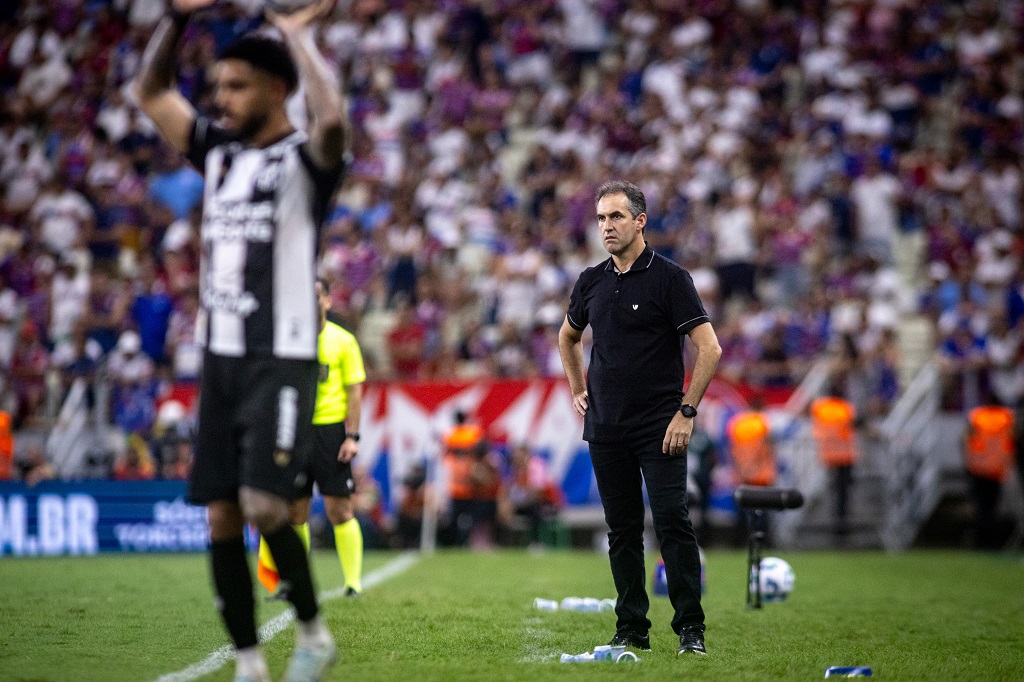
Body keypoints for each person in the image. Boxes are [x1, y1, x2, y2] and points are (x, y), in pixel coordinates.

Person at [133, 2, 347, 681]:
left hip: (279, 358)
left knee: (263, 505)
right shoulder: (218, 154)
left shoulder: (304, 161)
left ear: (276, 90)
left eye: (237, 86)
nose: (220, 100)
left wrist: (296, 37)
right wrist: (173, 19)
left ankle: (312, 634)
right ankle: (251, 663)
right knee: (221, 516)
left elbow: (334, 121)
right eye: (218, 87)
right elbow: (151, 94)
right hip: (219, 358)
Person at [558, 181, 721, 656]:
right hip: (606, 425)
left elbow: (709, 348)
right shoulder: (590, 280)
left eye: (615, 217)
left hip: (660, 425)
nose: (606, 227)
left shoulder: (670, 279)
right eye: (601, 218)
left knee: (672, 522)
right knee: (623, 530)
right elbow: (566, 338)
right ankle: (632, 629)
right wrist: (577, 389)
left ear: (640, 221)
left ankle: (691, 629)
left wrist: (686, 412)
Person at [257, 279, 367, 597]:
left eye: (317, 295)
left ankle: (353, 583)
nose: (311, 300)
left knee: (339, 509)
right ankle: (293, 580)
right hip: (295, 431)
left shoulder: (343, 341)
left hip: (330, 431)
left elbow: (354, 391)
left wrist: (353, 436)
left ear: (328, 301)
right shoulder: (289, 340)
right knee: (294, 512)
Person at [809, 389, 859, 542]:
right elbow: (855, 423)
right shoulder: (846, 408)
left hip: (828, 455)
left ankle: (839, 529)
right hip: (845, 457)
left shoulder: (820, 407)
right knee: (843, 496)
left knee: (835, 494)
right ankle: (842, 532)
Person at [964, 402, 1015, 549]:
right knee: (992, 507)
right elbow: (1013, 437)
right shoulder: (1006, 416)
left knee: (981, 506)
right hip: (997, 468)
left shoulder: (977, 415)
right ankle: (990, 540)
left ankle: (981, 539)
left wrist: (968, 461)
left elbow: (967, 437)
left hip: (978, 467)